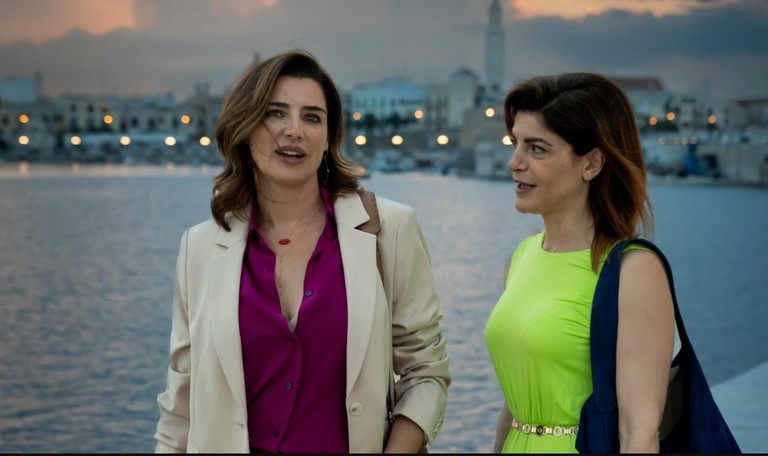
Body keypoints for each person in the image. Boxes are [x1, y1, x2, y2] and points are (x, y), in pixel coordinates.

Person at [154, 50, 450, 453]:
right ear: (245, 127)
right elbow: (180, 407)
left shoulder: (390, 230)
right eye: (275, 113)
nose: (294, 130)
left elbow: (426, 372)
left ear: (328, 138)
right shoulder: (199, 248)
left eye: (312, 117)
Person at [484, 72, 677, 453]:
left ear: (592, 163)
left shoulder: (634, 270)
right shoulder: (521, 258)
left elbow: (639, 432)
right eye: (515, 143)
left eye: (537, 149)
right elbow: (515, 403)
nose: (514, 162)